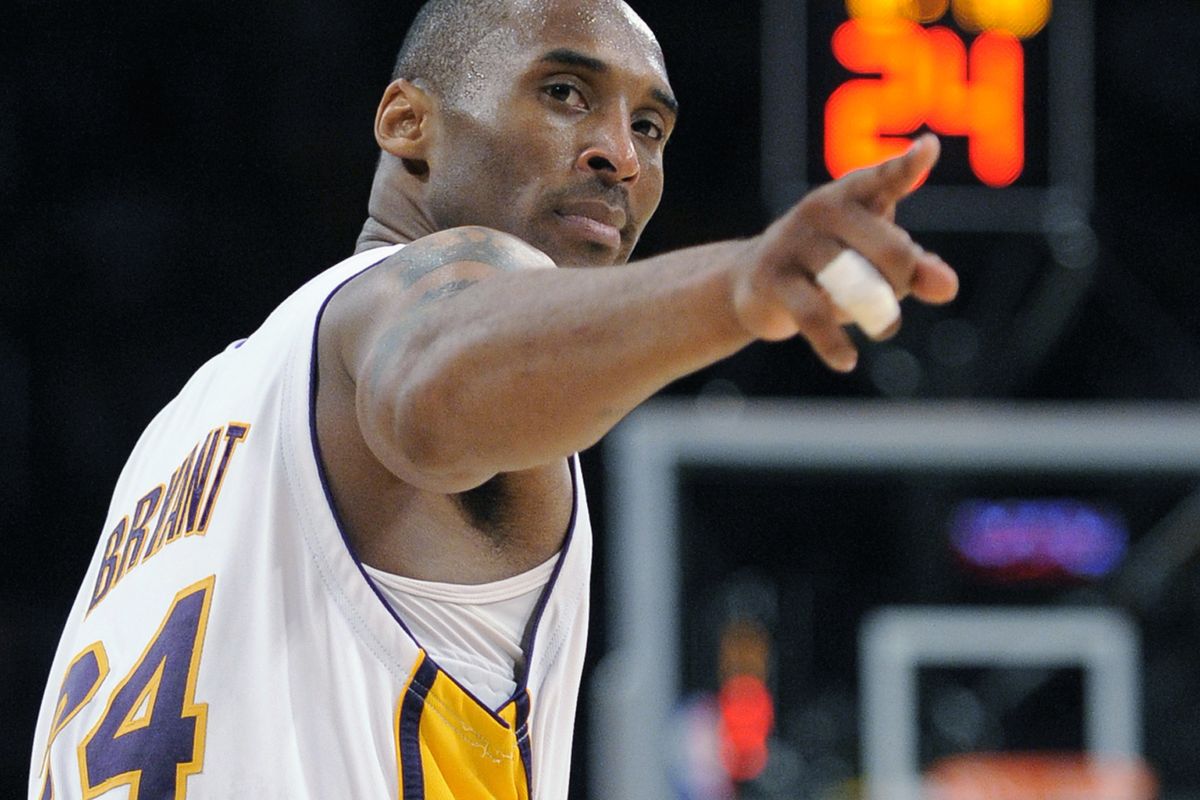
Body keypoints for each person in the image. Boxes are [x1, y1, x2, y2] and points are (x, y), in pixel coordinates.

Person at [28, 0, 958, 797]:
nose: (620, 156)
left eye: (650, 128)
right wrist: (737, 290)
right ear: (406, 123)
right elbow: (430, 373)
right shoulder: (427, 295)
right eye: (564, 93)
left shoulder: (187, 425)